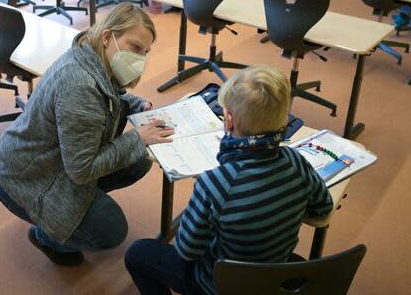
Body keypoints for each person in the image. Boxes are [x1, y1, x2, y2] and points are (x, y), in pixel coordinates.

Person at [0, 3, 173, 267]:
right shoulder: (79, 86)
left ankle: (75, 208)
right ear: (109, 37)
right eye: (135, 47)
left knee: (138, 160)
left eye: (145, 52)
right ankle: (47, 236)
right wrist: (138, 138)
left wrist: (136, 104)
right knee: (111, 231)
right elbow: (80, 170)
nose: (140, 58)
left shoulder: (91, 52)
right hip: (23, 176)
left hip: (51, 160)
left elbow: (108, 92)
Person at [124, 65, 334, 295]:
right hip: (273, 277)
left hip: (215, 285)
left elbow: (186, 249)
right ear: (285, 120)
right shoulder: (295, 161)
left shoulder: (215, 183)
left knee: (138, 253)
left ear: (229, 121)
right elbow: (323, 206)